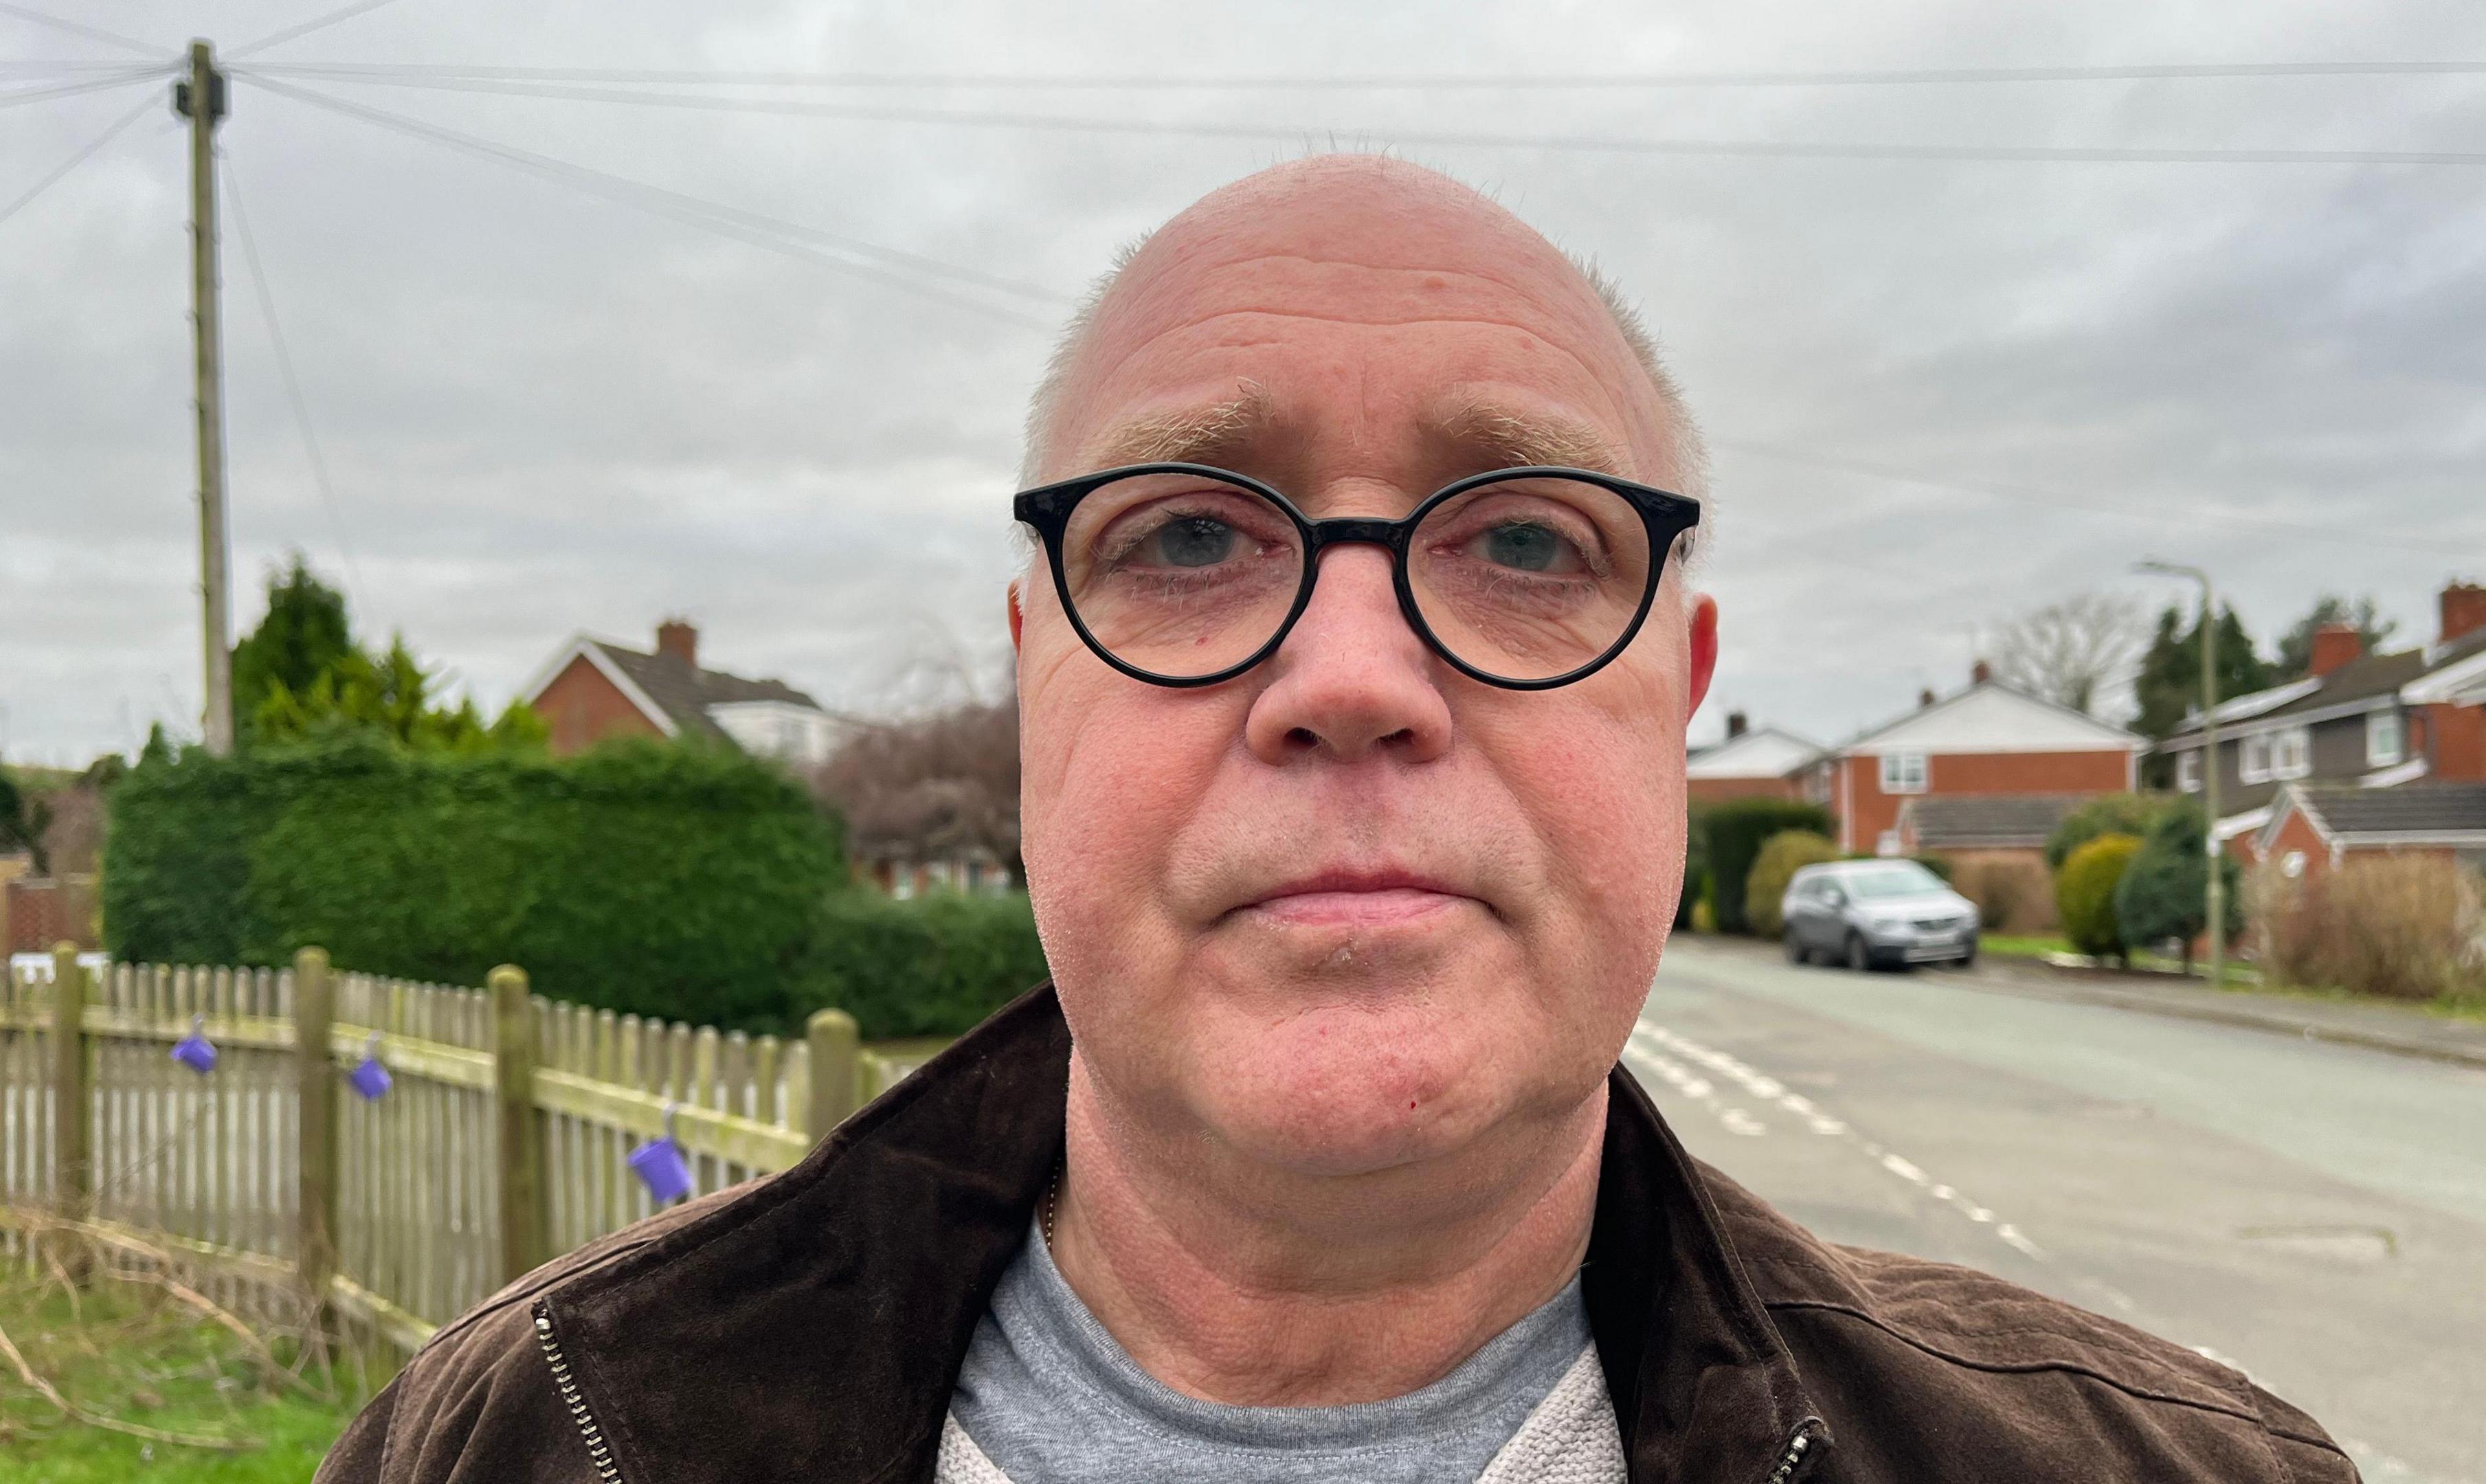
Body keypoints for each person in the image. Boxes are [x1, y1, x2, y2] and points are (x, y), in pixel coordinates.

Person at [319, 155, 2357, 1484]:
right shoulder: (518, 1442)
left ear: (1681, 685)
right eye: (1193, 532)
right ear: (1035, 669)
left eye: (1532, 540)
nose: (1358, 676)